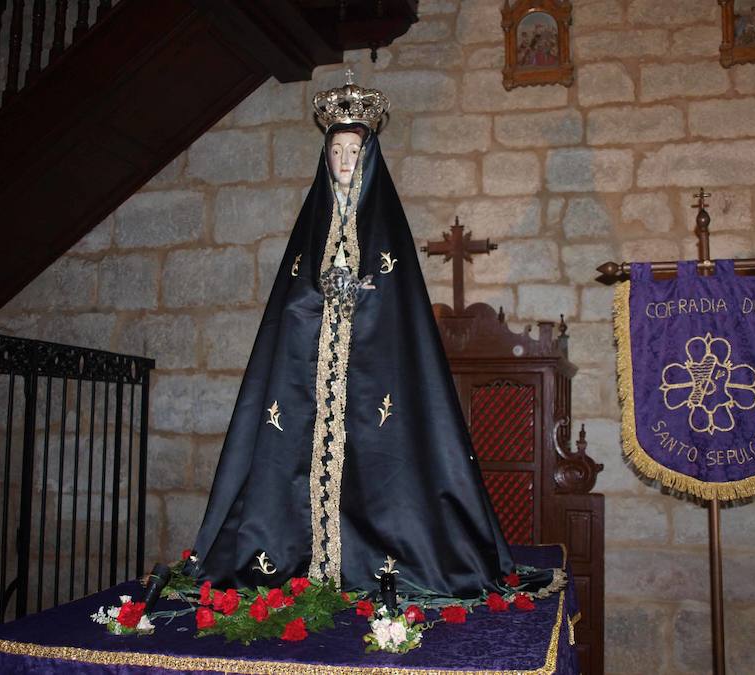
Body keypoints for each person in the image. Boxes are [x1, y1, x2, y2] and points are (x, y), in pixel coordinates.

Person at [185, 74, 562, 601]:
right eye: (335, 150)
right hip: (309, 385)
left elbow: (396, 314)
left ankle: (374, 560)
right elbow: (288, 312)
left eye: (353, 150)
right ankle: (294, 557)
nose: (343, 161)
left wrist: (360, 297)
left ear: (369, 156)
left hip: (372, 387)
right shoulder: (309, 230)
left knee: (379, 465)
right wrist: (320, 299)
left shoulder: (388, 233)